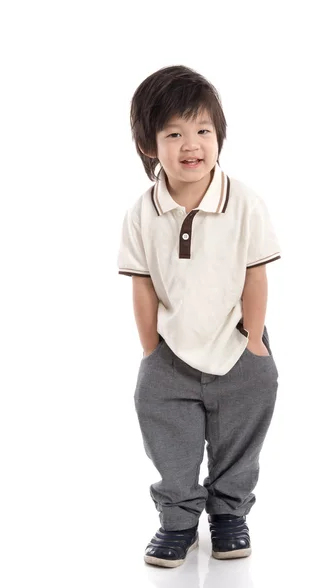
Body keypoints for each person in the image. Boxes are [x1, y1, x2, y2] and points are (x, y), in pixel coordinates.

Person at [117, 65, 282, 568]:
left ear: (219, 137)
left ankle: (230, 513)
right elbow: (142, 284)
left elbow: (256, 273)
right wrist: (151, 350)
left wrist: (254, 341)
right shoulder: (143, 212)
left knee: (240, 437)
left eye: (203, 131)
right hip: (172, 352)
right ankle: (178, 519)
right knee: (169, 437)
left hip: (237, 345)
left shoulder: (244, 202)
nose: (192, 145)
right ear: (150, 146)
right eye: (174, 133)